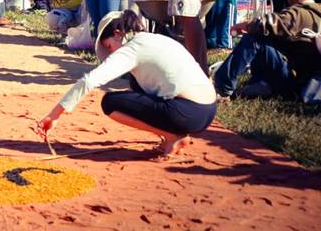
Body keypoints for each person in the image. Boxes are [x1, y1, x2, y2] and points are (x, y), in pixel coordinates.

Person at [35, 10, 217, 158]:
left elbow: (89, 81)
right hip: (208, 111)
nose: (111, 52)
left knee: (110, 103)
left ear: (117, 34)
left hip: (188, 112)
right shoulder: (155, 39)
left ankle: (172, 137)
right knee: (135, 84)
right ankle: (172, 134)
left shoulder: (133, 47)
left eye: (108, 47)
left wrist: (55, 115)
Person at [214, 0, 321, 103]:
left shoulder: (298, 14)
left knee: (254, 39)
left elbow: (267, 24)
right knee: (267, 38)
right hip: (312, 81)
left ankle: (222, 87)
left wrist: (246, 26)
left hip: (296, 82)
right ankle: (261, 84)